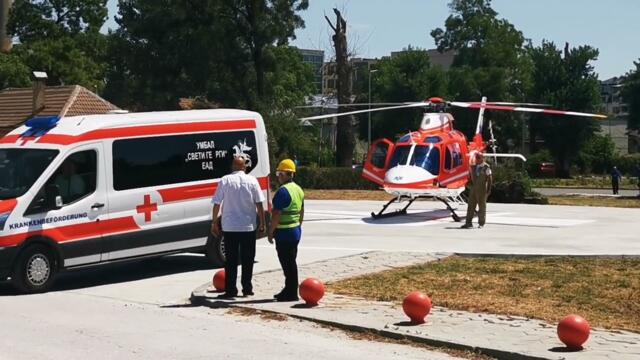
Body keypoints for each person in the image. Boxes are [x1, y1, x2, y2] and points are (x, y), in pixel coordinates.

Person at [211, 156, 266, 299]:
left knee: (231, 260)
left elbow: (217, 203)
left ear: (232, 166)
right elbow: (259, 203)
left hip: (230, 227)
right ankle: (247, 288)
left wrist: (214, 222)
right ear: (244, 167)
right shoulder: (252, 180)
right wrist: (263, 222)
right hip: (248, 226)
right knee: (248, 258)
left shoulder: (225, 180)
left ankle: (230, 290)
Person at [269, 159, 304, 302]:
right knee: (291, 262)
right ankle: (288, 289)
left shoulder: (283, 192)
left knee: (287, 263)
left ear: (286, 174)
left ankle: (291, 292)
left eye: (279, 173)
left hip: (284, 233)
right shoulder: (298, 189)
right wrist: (298, 226)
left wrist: (271, 231)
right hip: (295, 230)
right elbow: (302, 211)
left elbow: (276, 214)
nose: (278, 176)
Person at [461, 152, 492, 229]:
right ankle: (468, 223)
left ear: (482, 158)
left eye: (479, 158)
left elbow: (490, 179)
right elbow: (469, 177)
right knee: (471, 206)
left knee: (482, 207)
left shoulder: (486, 167)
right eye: (476, 158)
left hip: (482, 189)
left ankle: (481, 223)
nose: (477, 159)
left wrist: (488, 189)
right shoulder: (473, 167)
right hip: (473, 189)